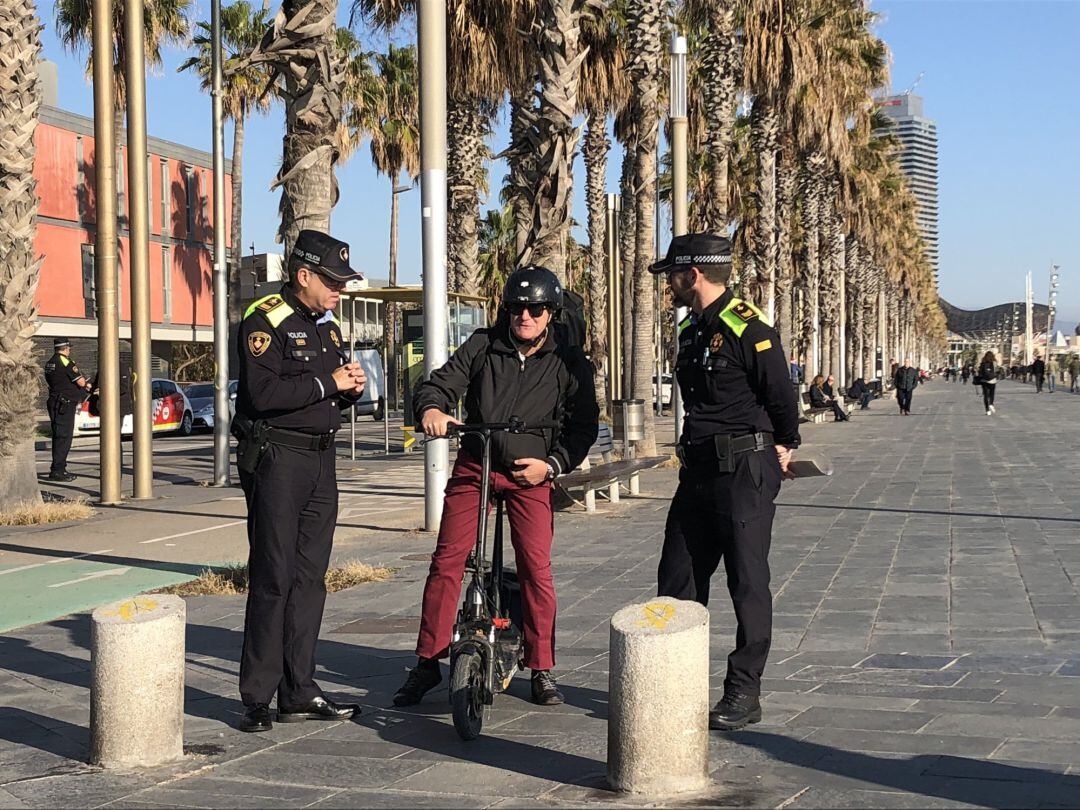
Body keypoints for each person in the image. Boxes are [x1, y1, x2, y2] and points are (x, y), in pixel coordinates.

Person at [392, 265, 599, 709]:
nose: (525, 316)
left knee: (535, 568)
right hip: (477, 462)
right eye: (517, 307)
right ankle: (428, 660)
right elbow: (440, 385)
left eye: (536, 309)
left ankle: (541, 666)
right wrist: (431, 408)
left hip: (532, 474)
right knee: (447, 559)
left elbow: (584, 428)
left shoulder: (569, 361)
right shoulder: (483, 345)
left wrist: (552, 464)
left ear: (551, 314)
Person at [649, 233, 800, 732]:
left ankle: (743, 691)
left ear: (693, 275)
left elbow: (780, 392)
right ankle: (676, 682)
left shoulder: (748, 328)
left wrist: (786, 442)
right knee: (677, 579)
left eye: (672, 274)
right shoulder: (692, 330)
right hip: (697, 472)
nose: (667, 284)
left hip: (743, 471)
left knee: (747, 581)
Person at [233, 229, 368, 733]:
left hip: (319, 462)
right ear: (303, 275)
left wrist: (350, 389)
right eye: (332, 281)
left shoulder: (327, 329)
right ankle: (257, 696)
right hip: (277, 459)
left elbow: (325, 395)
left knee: (311, 578)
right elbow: (262, 393)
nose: (339, 290)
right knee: (274, 575)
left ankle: (300, 689)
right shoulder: (263, 319)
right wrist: (327, 383)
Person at [43, 338, 92, 481]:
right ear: (65, 348)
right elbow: (81, 382)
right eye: (69, 348)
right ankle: (58, 470)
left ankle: (58, 468)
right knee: (64, 438)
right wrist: (87, 385)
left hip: (55, 402)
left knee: (58, 436)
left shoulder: (49, 363)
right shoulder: (65, 362)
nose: (70, 350)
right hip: (64, 404)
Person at [977, 351, 999, 415]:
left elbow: (979, 372)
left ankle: (987, 411)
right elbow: (997, 371)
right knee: (992, 393)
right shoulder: (994, 363)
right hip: (993, 381)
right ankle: (991, 404)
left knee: (986, 395)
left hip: (984, 381)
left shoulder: (983, 363)